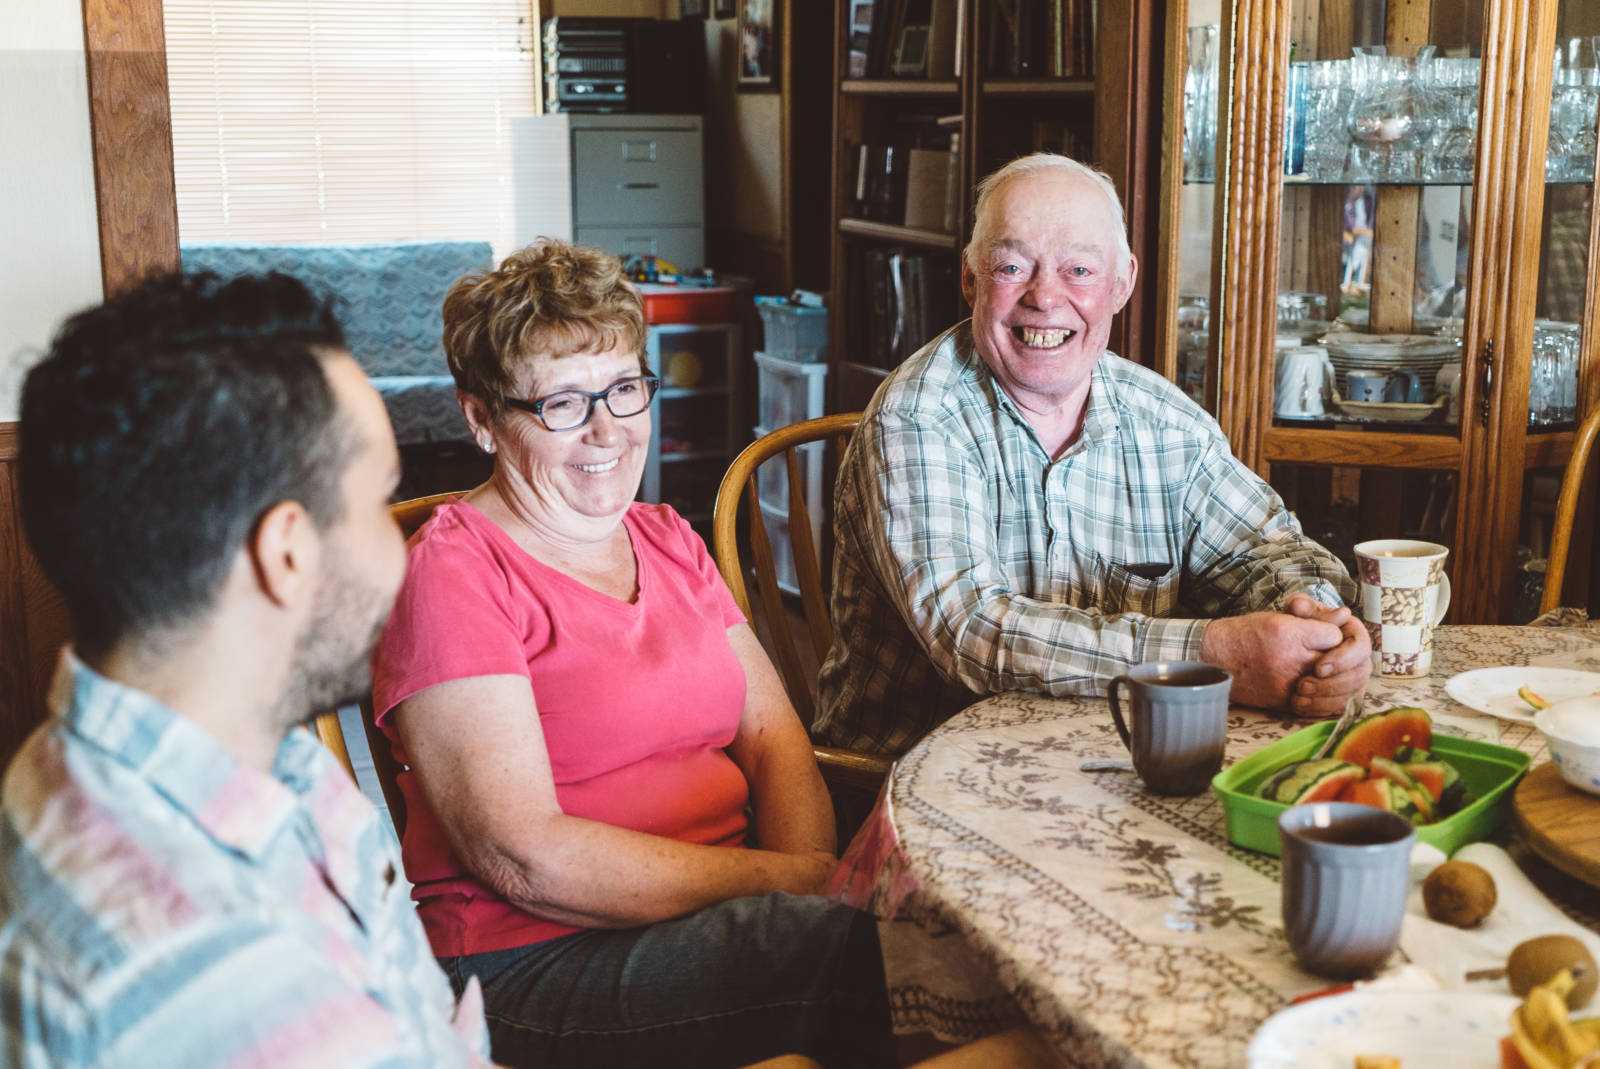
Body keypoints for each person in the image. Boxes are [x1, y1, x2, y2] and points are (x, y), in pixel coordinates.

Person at [369, 239, 893, 1069]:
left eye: (622, 388)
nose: (608, 430)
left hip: (725, 917)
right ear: (482, 420)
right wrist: (781, 886)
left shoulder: (668, 537)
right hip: (530, 960)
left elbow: (774, 739)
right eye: (564, 405)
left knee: (897, 919)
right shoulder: (452, 576)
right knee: (861, 950)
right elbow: (523, 856)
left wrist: (803, 872)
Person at [1, 271, 491, 1066]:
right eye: (382, 500)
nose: (399, 547)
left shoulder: (245, 755)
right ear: (287, 552)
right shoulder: (213, 971)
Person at [817, 153, 1370, 759]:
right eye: (1010, 266)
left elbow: (1267, 552)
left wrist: (1318, 624)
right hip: (912, 781)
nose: (1044, 297)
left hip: (1107, 761)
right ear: (971, 278)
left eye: (1078, 269)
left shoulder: (1165, 421)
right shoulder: (917, 417)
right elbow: (970, 634)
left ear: (1122, 283)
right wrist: (1215, 655)